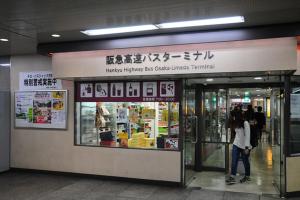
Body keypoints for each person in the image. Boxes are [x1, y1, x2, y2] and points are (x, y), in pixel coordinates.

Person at [226, 112, 252, 184]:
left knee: (245, 161)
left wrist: (246, 147)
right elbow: (237, 134)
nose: (232, 118)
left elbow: (248, 135)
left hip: (244, 146)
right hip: (236, 144)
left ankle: (247, 176)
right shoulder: (235, 123)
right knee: (234, 160)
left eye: (233, 117)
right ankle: (232, 176)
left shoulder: (245, 123)